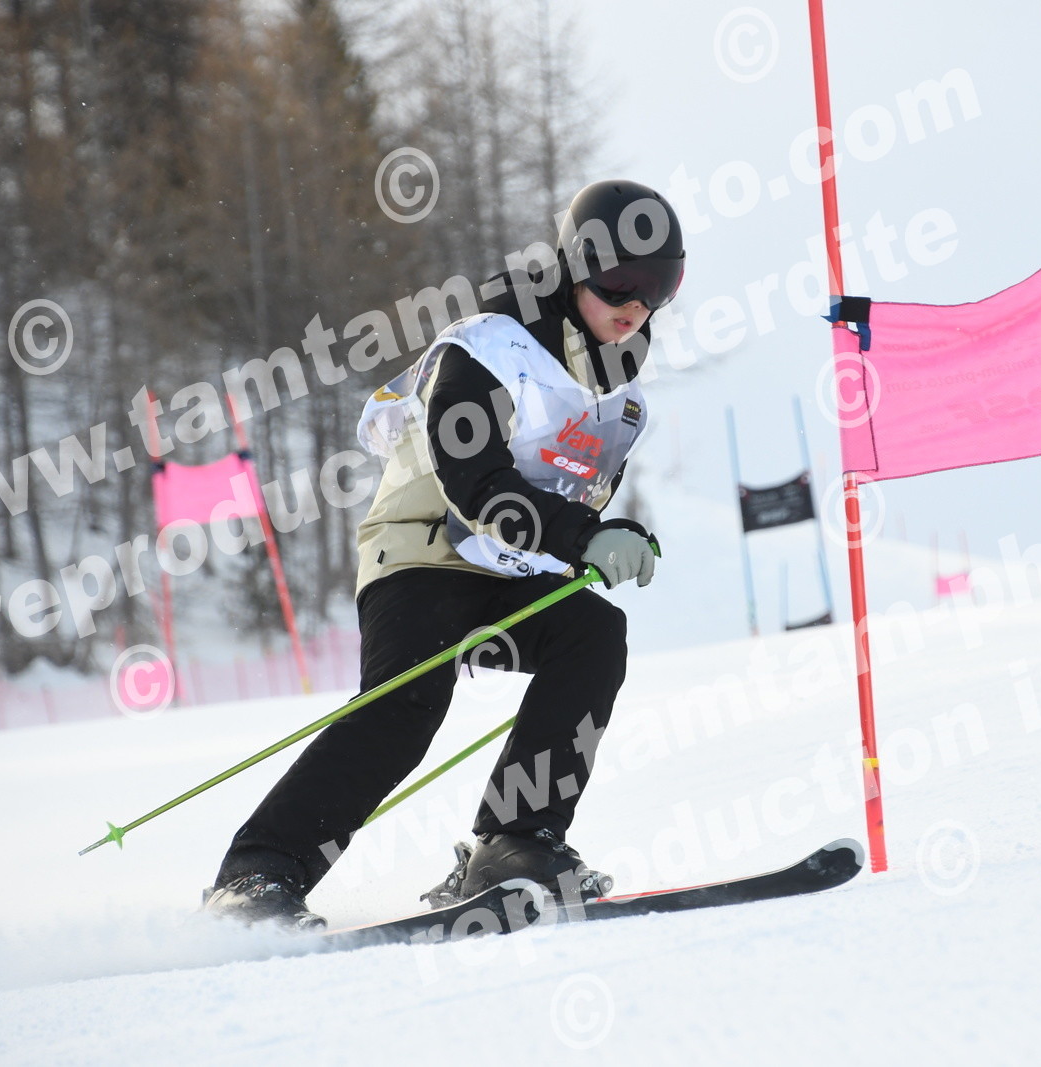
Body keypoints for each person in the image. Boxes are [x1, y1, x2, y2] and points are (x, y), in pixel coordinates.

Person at [203, 179, 685, 928]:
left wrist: (599, 539)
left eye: (658, 286)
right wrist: (584, 536)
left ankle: (515, 841)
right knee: (408, 703)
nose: (636, 303)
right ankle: (258, 875)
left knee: (592, 634)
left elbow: (571, 493)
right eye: (619, 279)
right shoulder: (490, 344)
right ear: (573, 265)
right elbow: (475, 481)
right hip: (422, 553)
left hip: (508, 572)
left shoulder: (620, 395)